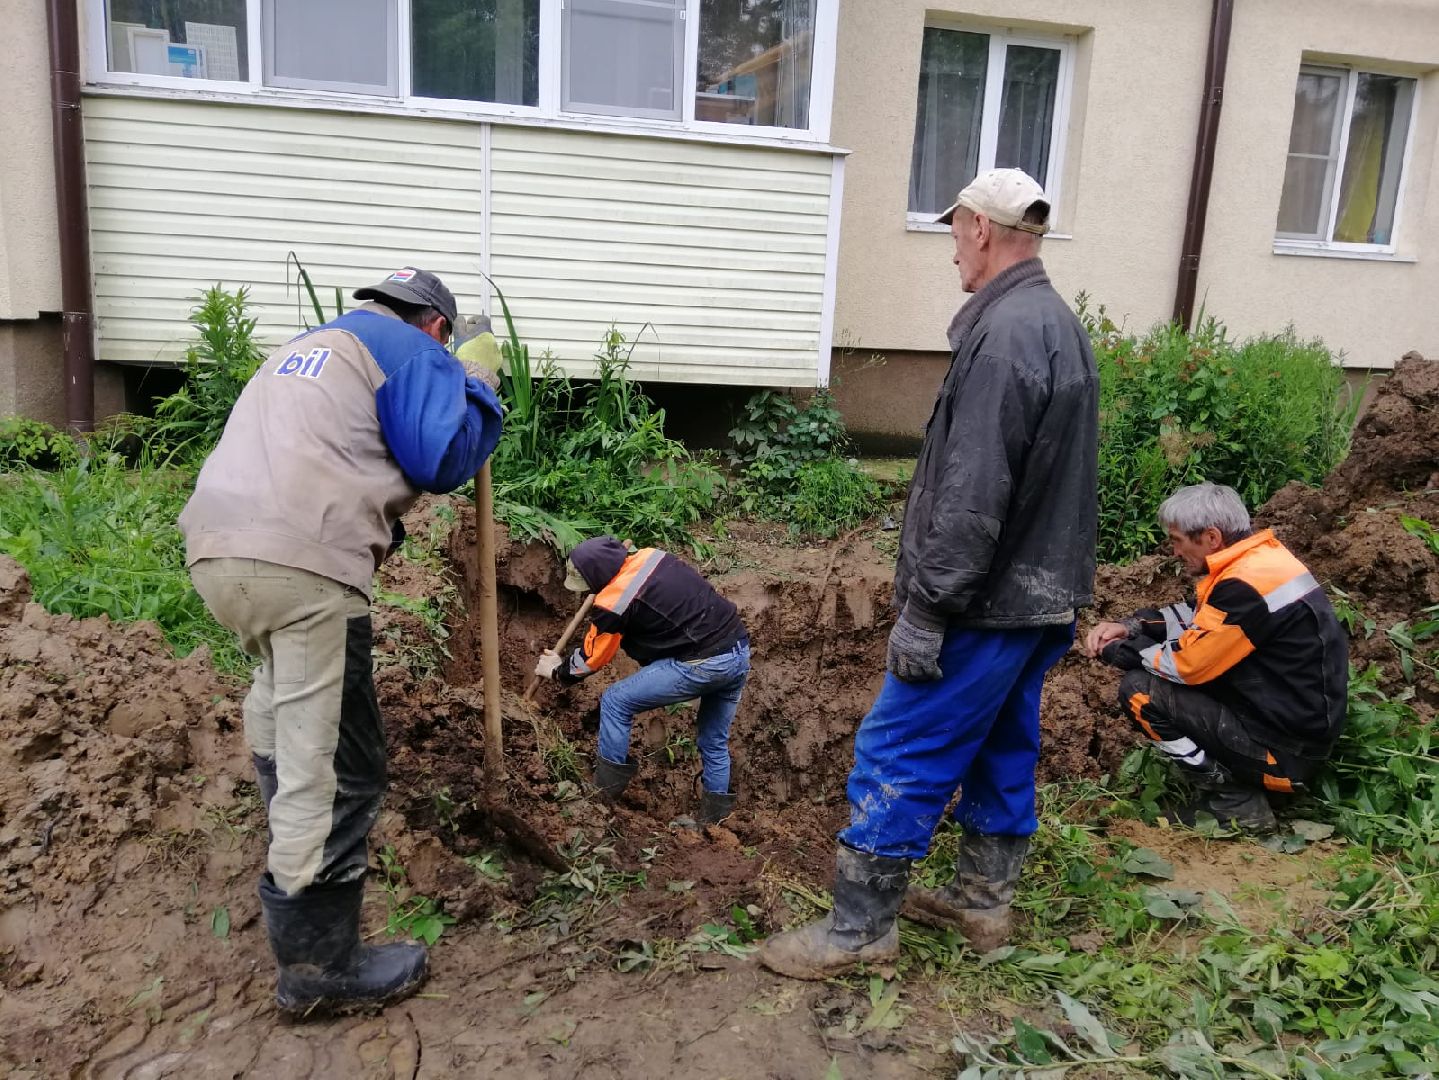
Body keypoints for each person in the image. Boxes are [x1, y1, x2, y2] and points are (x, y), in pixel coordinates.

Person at [758, 168, 1100, 980]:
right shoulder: (1053, 321)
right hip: (1037, 597)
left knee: (897, 747)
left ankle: (858, 932)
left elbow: (972, 491)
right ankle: (981, 901)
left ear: (979, 228)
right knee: (1000, 744)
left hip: (983, 603)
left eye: (954, 231)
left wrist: (928, 607)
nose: (951, 250)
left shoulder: (1004, 335)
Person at [179, 266, 504, 1018]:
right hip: (303, 561)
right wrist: (477, 386)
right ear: (435, 326)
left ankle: (288, 855)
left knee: (278, 705)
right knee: (337, 765)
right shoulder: (412, 349)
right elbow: (439, 459)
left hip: (219, 552)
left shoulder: (306, 347)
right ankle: (319, 967)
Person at [1083, 483, 1348, 833]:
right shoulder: (1261, 563)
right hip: (1295, 732)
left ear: (1211, 537)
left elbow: (1186, 666)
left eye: (1178, 540)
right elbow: (1201, 617)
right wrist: (1132, 626)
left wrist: (1118, 651)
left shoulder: (1244, 587)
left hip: (1286, 756)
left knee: (1139, 690)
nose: (1175, 551)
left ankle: (1234, 801)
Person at [532, 536, 750, 825]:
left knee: (616, 701)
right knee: (714, 741)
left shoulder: (613, 601)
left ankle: (602, 798)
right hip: (737, 651)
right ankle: (714, 825)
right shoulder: (651, 556)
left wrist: (556, 670)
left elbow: (591, 660)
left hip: (703, 662)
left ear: (596, 577)